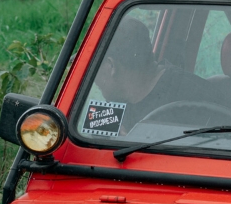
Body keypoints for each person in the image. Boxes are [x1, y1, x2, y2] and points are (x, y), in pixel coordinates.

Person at [93, 18, 223, 133]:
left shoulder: (199, 101)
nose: (93, 79)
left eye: (94, 64)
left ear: (111, 66)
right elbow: (92, 146)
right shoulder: (113, 104)